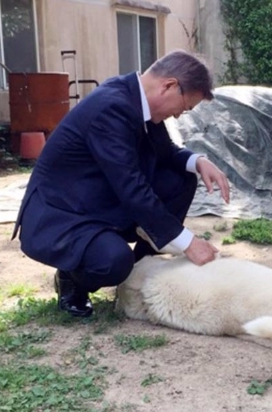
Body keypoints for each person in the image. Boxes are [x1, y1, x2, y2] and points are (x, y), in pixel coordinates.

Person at [12, 50, 230, 318]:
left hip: (99, 198)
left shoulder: (137, 101)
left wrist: (197, 161)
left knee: (180, 179)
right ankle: (72, 278)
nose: (178, 116)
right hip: (65, 213)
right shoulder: (110, 107)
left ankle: (140, 273)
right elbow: (131, 186)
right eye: (184, 108)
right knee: (113, 262)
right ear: (169, 86)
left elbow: (165, 151)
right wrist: (188, 243)